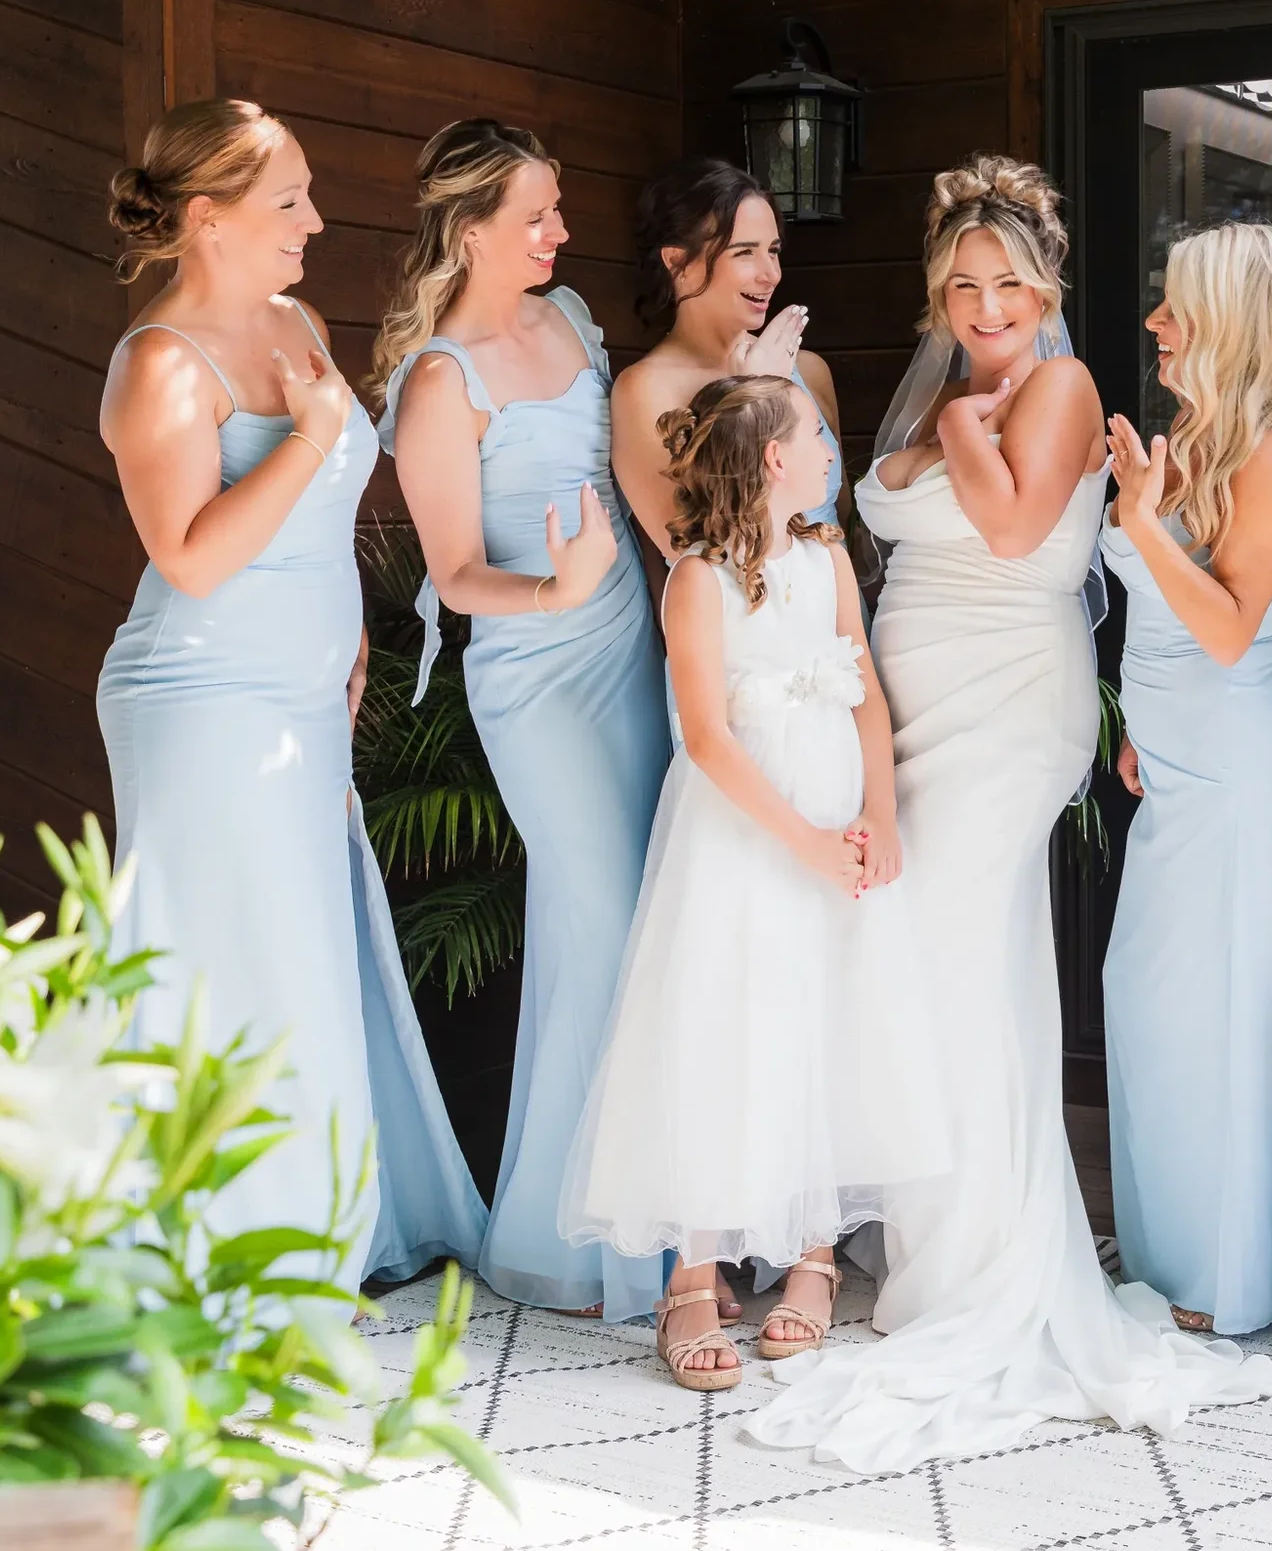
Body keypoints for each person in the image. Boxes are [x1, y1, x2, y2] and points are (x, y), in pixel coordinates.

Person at [746, 158, 1272, 1473]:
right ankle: (930, 1236)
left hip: (1008, 704)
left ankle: (997, 1263)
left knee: (967, 961)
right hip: (909, 711)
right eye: (963, 285)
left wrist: (970, 438)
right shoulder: (956, 383)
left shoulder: (1055, 386)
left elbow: (1014, 519)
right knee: (919, 964)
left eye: (1009, 283)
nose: (986, 305)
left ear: (1048, 286)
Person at [96, 98, 484, 1283]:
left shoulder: (293, 319)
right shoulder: (161, 364)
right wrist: (316, 432)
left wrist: (353, 627)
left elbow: (310, 521)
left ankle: (319, 1215)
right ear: (206, 221)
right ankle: (222, 1250)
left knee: (306, 943)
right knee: (233, 955)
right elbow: (194, 558)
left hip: (304, 694)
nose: (316, 218)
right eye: (289, 201)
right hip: (204, 695)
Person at [559, 375, 949, 1391]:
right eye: (815, 437)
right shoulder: (697, 580)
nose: (829, 449)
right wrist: (805, 840)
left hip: (835, 819)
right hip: (741, 836)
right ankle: (691, 1269)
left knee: (825, 1013)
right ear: (775, 459)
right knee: (720, 1025)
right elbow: (707, 738)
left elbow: (863, 688)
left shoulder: (825, 560)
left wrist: (875, 814)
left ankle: (813, 1254)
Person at [372, 118, 669, 1320]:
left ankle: (661, 1213)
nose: (561, 232)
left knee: (646, 909)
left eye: (557, 209)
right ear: (470, 228)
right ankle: (588, 1239)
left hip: (631, 647)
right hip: (534, 669)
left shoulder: (579, 322)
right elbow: (450, 571)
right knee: (597, 914)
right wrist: (554, 587)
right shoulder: (443, 378)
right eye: (537, 215)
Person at [1098, 221, 1272, 1338]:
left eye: (1175, 305)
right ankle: (1169, 1255)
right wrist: (1139, 721)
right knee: (1153, 1007)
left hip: (1242, 776)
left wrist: (1140, 523)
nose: (1154, 323)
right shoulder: (1192, 434)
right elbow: (1173, 621)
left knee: (1223, 1021)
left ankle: (1226, 1278)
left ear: (1232, 321)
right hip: (1179, 764)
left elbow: (1236, 633)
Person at [610, 159, 846, 578]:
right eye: (744, 253)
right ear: (678, 262)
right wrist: (758, 392)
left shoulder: (808, 369)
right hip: (742, 623)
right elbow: (700, 552)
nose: (770, 274)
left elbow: (840, 521)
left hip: (836, 614)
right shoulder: (645, 390)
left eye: (772, 251)